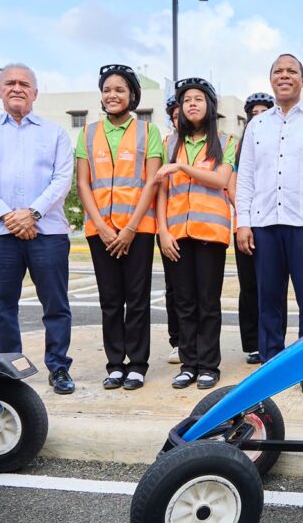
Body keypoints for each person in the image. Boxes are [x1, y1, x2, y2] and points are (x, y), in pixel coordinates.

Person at [0, 64, 75, 394]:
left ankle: (58, 367)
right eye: (9, 83)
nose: (17, 88)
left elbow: (62, 180)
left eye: (24, 84)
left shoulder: (54, 133)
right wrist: (7, 215)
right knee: (2, 306)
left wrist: (33, 213)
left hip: (48, 230)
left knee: (56, 304)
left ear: (35, 93)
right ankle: (8, 371)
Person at [236, 55, 303, 397]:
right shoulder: (257, 125)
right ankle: (270, 365)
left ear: (302, 80)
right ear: (271, 81)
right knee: (269, 299)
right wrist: (243, 222)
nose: (284, 76)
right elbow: (246, 179)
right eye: (278, 71)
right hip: (265, 224)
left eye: (291, 71)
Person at [76, 64, 163, 391]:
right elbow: (83, 184)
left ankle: (138, 364)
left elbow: (151, 182)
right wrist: (101, 225)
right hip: (100, 231)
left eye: (120, 90)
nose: (112, 95)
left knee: (137, 298)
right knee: (110, 300)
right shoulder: (87, 133)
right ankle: (115, 364)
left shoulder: (147, 131)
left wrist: (128, 229)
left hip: (137, 231)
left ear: (132, 95)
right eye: (107, 90)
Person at [156, 78, 236, 390]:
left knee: (207, 302)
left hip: (210, 234)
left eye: (198, 99)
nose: (191, 104)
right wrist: (162, 231)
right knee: (184, 303)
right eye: (187, 99)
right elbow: (161, 191)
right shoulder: (168, 144)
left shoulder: (227, 142)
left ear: (210, 106)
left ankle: (209, 365)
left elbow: (220, 180)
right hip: (176, 234)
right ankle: (189, 365)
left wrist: (182, 168)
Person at [230, 92, 275, 364]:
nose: (258, 117)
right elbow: (235, 183)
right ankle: (253, 343)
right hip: (247, 222)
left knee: (271, 287)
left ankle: (272, 341)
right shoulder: (242, 146)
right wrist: (244, 215)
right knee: (248, 287)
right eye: (253, 113)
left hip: (272, 222)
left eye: (263, 111)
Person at [161, 95, 181, 364]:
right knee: (173, 290)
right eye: (175, 117)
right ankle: (178, 341)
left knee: (200, 295)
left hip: (200, 228)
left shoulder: (215, 143)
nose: (180, 120)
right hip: (169, 227)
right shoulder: (166, 144)